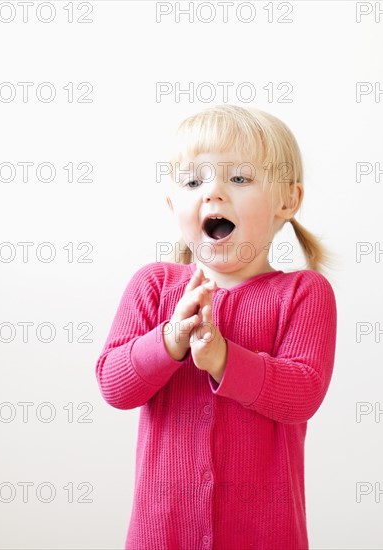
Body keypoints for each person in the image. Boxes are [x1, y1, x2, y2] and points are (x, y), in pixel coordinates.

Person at [95, 105, 338, 549]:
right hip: (161, 535)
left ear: (288, 200)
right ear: (173, 204)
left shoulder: (305, 293)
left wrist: (225, 360)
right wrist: (169, 341)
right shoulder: (153, 286)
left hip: (267, 536)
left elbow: (303, 393)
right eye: (193, 181)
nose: (213, 194)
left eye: (239, 178)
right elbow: (114, 385)